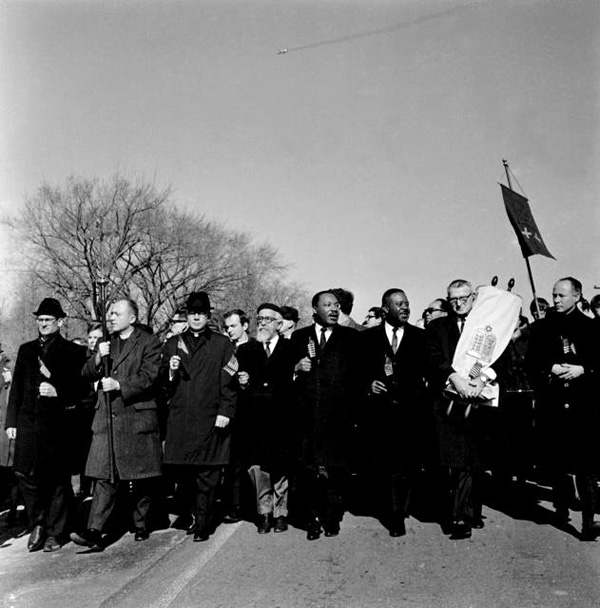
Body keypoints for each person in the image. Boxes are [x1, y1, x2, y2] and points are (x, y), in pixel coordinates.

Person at [71, 299, 163, 551]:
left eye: (116, 313)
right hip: (107, 420)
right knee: (104, 476)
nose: (110, 317)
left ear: (132, 318)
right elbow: (86, 374)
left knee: (140, 476)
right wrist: (99, 359)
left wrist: (120, 385)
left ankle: (141, 523)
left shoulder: (148, 342)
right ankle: (94, 530)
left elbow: (150, 377)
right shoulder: (104, 343)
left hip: (135, 416)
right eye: (110, 313)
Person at [5, 298, 87, 552]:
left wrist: (57, 391)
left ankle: (55, 532)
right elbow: (16, 387)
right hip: (28, 422)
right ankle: (38, 521)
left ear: (60, 322)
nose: (42, 324)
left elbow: (80, 389)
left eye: (48, 320)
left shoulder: (73, 352)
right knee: (23, 473)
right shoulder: (26, 350)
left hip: (58, 425)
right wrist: (11, 421)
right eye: (39, 320)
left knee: (57, 480)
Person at [526, 277, 600, 540]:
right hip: (553, 404)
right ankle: (561, 507)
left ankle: (589, 520)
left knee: (586, 464)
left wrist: (584, 370)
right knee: (557, 460)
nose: (556, 300)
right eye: (554, 295)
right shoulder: (541, 328)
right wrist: (551, 368)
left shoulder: (593, 328)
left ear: (577, 296)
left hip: (584, 407)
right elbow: (531, 363)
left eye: (562, 296)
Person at [160, 292, 237, 542]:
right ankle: (194, 516)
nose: (195, 317)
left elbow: (229, 382)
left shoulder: (221, 344)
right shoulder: (172, 343)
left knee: (209, 475)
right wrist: (170, 372)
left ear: (208, 316)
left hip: (210, 418)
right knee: (187, 476)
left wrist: (225, 411)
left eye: (200, 313)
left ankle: (203, 523)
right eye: (191, 313)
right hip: (182, 421)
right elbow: (163, 387)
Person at [425, 280, 492, 539]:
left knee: (474, 461)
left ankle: (473, 511)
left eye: (463, 298)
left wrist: (481, 379)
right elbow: (432, 358)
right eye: (453, 299)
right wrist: (454, 378)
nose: (458, 303)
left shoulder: (486, 325)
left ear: (473, 297)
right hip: (448, 402)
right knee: (456, 461)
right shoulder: (437, 327)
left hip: (478, 402)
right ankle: (458, 517)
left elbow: (499, 356)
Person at [291, 290, 360, 540]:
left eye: (337, 305)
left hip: (337, 419)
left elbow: (358, 379)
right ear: (315, 309)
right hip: (307, 419)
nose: (333, 309)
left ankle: (332, 517)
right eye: (327, 305)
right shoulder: (299, 338)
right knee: (308, 471)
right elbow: (284, 375)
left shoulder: (351, 338)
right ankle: (311, 519)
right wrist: (296, 368)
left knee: (336, 470)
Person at [359, 289, 428, 537]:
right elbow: (356, 372)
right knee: (385, 466)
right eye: (399, 304)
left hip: (411, 413)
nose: (405, 308)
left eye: (407, 304)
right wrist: (368, 384)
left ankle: (399, 513)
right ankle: (391, 510)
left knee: (406, 466)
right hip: (380, 414)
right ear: (385, 309)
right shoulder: (367, 339)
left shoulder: (420, 337)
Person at [236, 303, 295, 534]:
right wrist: (241, 382)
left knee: (280, 468)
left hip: (282, 419)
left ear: (279, 324)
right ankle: (265, 513)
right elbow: (235, 382)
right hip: (255, 420)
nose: (262, 323)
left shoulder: (291, 349)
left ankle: (281, 513)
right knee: (258, 470)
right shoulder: (245, 351)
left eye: (268, 319)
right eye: (259, 318)